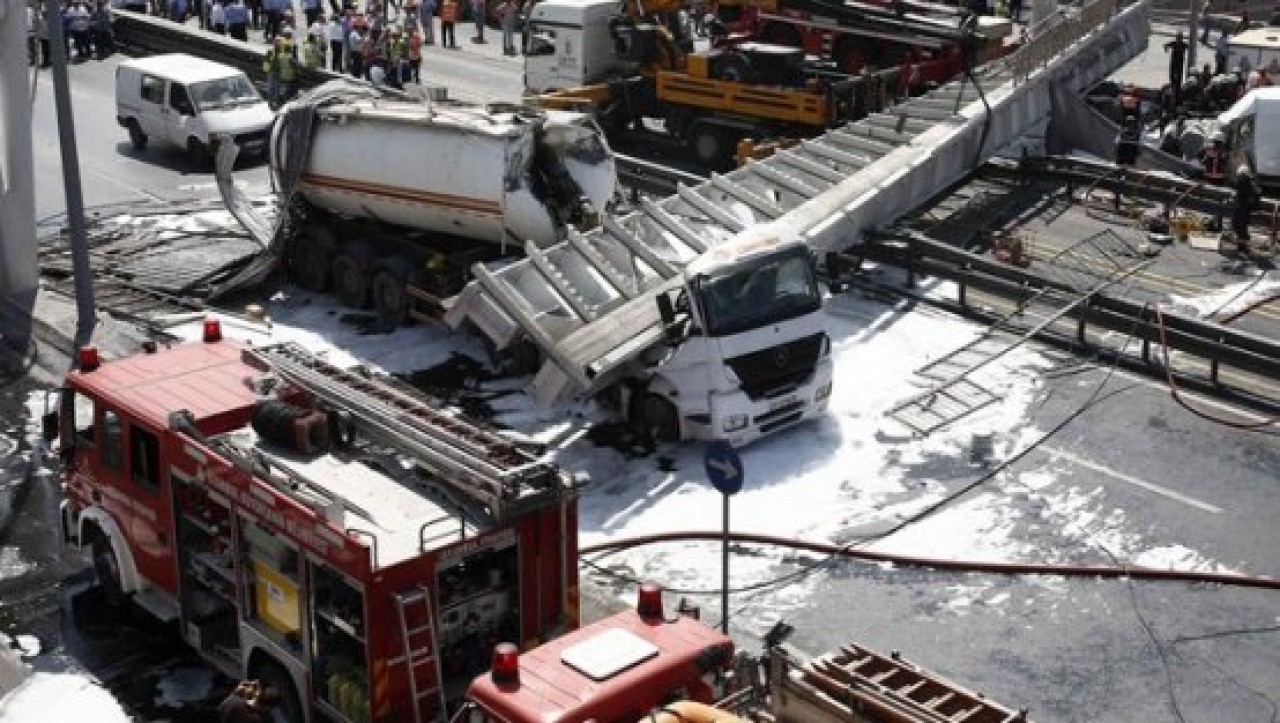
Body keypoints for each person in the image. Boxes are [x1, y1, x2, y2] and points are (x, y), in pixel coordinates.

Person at [1232, 164, 1261, 249]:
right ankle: (1242, 243)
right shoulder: (1244, 181)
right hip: (1241, 206)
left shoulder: (1248, 182)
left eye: (1240, 174)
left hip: (1243, 207)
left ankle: (1243, 245)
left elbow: (1256, 193)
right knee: (1238, 225)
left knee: (1240, 226)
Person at [1165, 31, 1189, 107]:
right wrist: (1166, 48)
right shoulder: (1174, 43)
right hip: (1173, 64)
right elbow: (1166, 45)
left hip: (1179, 65)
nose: (1178, 39)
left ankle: (1177, 96)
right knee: (1172, 79)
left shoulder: (1183, 44)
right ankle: (1173, 91)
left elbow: (1190, 46)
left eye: (1180, 37)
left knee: (1178, 81)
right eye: (1178, 37)